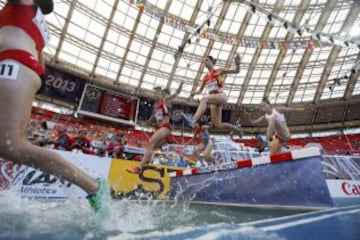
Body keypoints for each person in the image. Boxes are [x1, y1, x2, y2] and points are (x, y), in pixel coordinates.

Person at [0, 0, 107, 215]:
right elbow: (41, 66)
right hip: (19, 66)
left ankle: (93, 186)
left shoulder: (24, 6)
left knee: (12, 146)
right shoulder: (38, 25)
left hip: (13, 64)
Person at [127, 81, 184, 173]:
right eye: (154, 92)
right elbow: (154, 117)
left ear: (161, 92)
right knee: (153, 147)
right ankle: (147, 163)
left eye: (156, 92)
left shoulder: (165, 100)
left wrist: (181, 85)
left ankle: (139, 167)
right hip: (160, 129)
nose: (154, 93)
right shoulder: (155, 105)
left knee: (150, 142)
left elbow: (176, 93)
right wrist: (146, 123)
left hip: (165, 127)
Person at [183, 54, 243, 137]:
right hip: (214, 101)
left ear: (212, 61)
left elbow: (236, 71)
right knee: (218, 125)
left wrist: (237, 64)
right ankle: (236, 129)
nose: (205, 63)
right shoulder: (205, 77)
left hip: (220, 95)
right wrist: (194, 93)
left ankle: (193, 120)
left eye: (206, 60)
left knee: (204, 99)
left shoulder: (219, 71)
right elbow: (200, 91)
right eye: (204, 62)